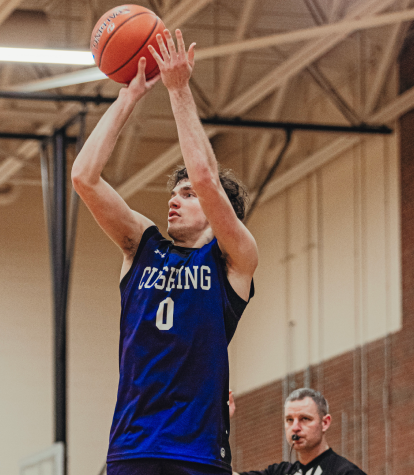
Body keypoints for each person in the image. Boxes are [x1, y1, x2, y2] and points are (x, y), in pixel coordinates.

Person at [71, 28, 257, 475]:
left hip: (196, 450)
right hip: (133, 445)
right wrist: (127, 98)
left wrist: (178, 90)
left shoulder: (234, 259)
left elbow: (207, 178)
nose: (174, 200)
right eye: (174, 193)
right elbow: (84, 177)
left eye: (187, 195)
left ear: (218, 212)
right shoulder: (143, 246)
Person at [233, 389, 366, 475]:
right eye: (289, 420)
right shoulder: (279, 472)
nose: (295, 427)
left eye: (305, 419)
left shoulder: (345, 472)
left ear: (325, 423)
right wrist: (222, 420)